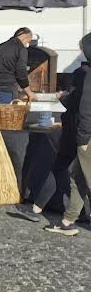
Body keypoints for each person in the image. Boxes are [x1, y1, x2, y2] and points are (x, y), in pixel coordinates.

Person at [45, 36, 91, 235]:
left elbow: (86, 109)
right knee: (78, 177)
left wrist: (82, 139)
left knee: (87, 178)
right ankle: (68, 221)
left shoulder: (88, 73)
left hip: (87, 136)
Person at [0, 28, 36, 105]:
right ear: (25, 37)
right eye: (27, 42)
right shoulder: (20, 49)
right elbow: (21, 71)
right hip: (7, 90)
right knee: (6, 115)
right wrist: (28, 92)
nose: (26, 45)